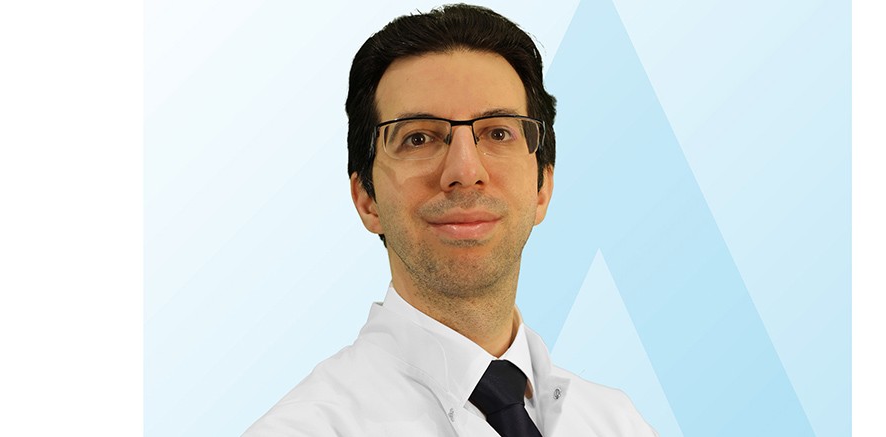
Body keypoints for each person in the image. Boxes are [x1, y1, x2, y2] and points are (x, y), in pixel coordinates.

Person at [244, 4, 657, 436]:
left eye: (498, 132)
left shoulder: (618, 423)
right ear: (367, 199)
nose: (464, 170)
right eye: (418, 138)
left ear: (542, 188)